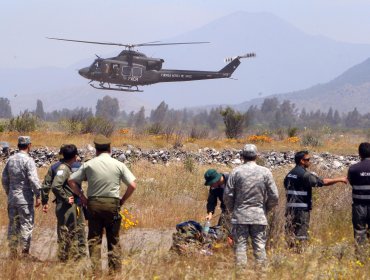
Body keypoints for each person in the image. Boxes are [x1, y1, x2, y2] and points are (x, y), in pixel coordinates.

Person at [68, 134, 137, 273]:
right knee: (114, 240)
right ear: (110, 149)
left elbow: (71, 181)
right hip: (112, 204)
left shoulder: (89, 164)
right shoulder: (119, 165)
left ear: (96, 149)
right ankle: (115, 272)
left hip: (94, 204)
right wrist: (122, 200)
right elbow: (133, 185)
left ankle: (96, 272)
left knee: (94, 240)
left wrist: (82, 197)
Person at [224, 144, 279, 269]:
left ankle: (241, 275)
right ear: (257, 156)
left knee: (240, 247)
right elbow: (274, 196)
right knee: (259, 246)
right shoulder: (265, 172)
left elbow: (227, 195)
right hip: (259, 216)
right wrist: (266, 208)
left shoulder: (236, 172)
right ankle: (262, 274)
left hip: (240, 216)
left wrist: (233, 209)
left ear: (242, 156)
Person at [284, 150, 347, 251]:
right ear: (302, 161)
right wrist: (340, 179)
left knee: (290, 232)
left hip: (290, 209)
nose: (310, 161)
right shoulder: (305, 175)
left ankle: (289, 252)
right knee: (301, 235)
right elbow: (322, 182)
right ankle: (300, 254)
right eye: (308, 159)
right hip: (301, 210)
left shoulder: (289, 174)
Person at [41, 144, 86, 258]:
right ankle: (79, 255)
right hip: (76, 203)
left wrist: (44, 201)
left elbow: (46, 185)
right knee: (79, 229)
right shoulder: (79, 165)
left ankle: (65, 256)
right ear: (75, 155)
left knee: (64, 229)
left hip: (66, 204)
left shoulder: (55, 167)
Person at [1, 136, 41, 258]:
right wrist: (38, 195)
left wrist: (10, 192)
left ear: (18, 145)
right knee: (26, 225)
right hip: (25, 199)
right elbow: (33, 180)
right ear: (29, 145)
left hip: (12, 198)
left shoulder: (10, 160)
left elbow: (4, 179)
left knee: (13, 225)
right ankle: (24, 253)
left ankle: (13, 252)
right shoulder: (28, 160)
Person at [348, 142, 370, 257]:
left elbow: (351, 182)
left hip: (358, 206)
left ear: (359, 154)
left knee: (359, 231)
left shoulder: (353, 169)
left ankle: (360, 258)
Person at [203, 169, 230, 233]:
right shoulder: (214, 187)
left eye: (211, 183)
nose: (210, 185)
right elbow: (211, 200)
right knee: (221, 232)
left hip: (239, 210)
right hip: (225, 210)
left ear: (216, 179)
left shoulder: (231, 179)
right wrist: (210, 213)